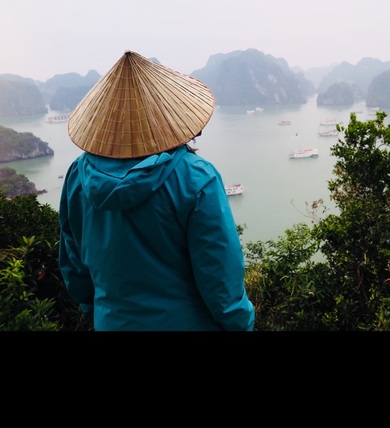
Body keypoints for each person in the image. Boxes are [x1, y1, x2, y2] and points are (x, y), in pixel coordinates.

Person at [58, 50, 255, 331]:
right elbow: (220, 277)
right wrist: (241, 324)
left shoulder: (77, 176)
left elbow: (74, 265)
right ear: (173, 119)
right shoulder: (196, 178)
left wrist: (99, 310)